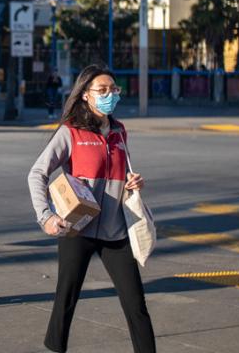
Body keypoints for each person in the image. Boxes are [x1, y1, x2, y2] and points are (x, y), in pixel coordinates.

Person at [28, 64, 156, 353]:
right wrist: (46, 217)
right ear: (86, 95)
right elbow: (37, 173)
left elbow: (119, 173)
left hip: (116, 231)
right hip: (78, 229)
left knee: (136, 304)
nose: (109, 94)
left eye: (114, 89)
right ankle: (55, 348)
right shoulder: (70, 132)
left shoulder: (120, 131)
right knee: (66, 299)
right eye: (102, 90)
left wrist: (131, 181)